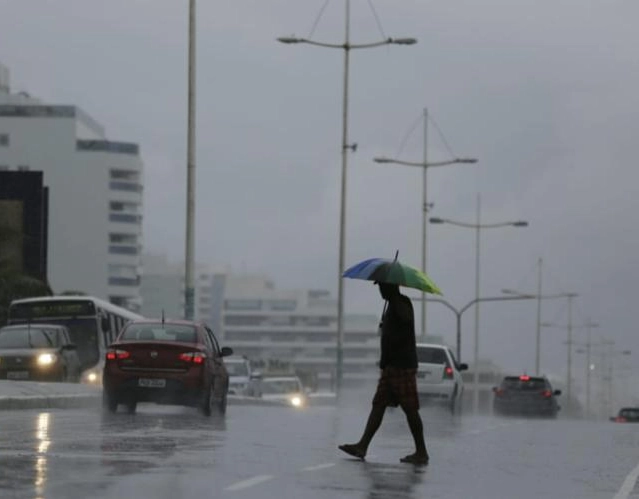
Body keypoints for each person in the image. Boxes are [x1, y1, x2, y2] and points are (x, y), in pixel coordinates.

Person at [338, 281, 429, 465]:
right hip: (390, 367)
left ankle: (421, 451)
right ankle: (362, 445)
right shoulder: (390, 306)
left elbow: (406, 319)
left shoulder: (402, 303)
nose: (380, 291)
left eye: (382, 287)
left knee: (410, 409)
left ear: (390, 287)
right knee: (378, 405)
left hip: (402, 366)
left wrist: (394, 301)